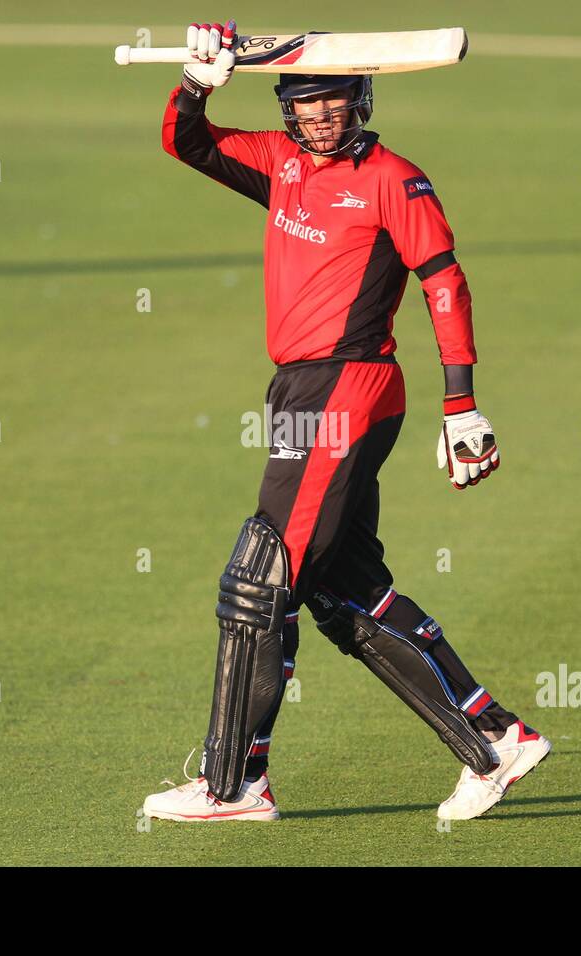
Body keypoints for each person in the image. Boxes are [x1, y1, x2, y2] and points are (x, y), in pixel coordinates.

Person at [142, 20, 550, 823]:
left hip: (346, 388)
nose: (319, 115)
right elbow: (186, 145)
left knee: (264, 577)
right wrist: (196, 81)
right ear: (286, 108)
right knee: (342, 587)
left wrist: (462, 404)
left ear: (360, 100)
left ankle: (235, 784)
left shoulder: (395, 180)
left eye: (332, 101)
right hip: (301, 389)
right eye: (304, 102)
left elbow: (444, 282)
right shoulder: (279, 164)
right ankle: (496, 737)